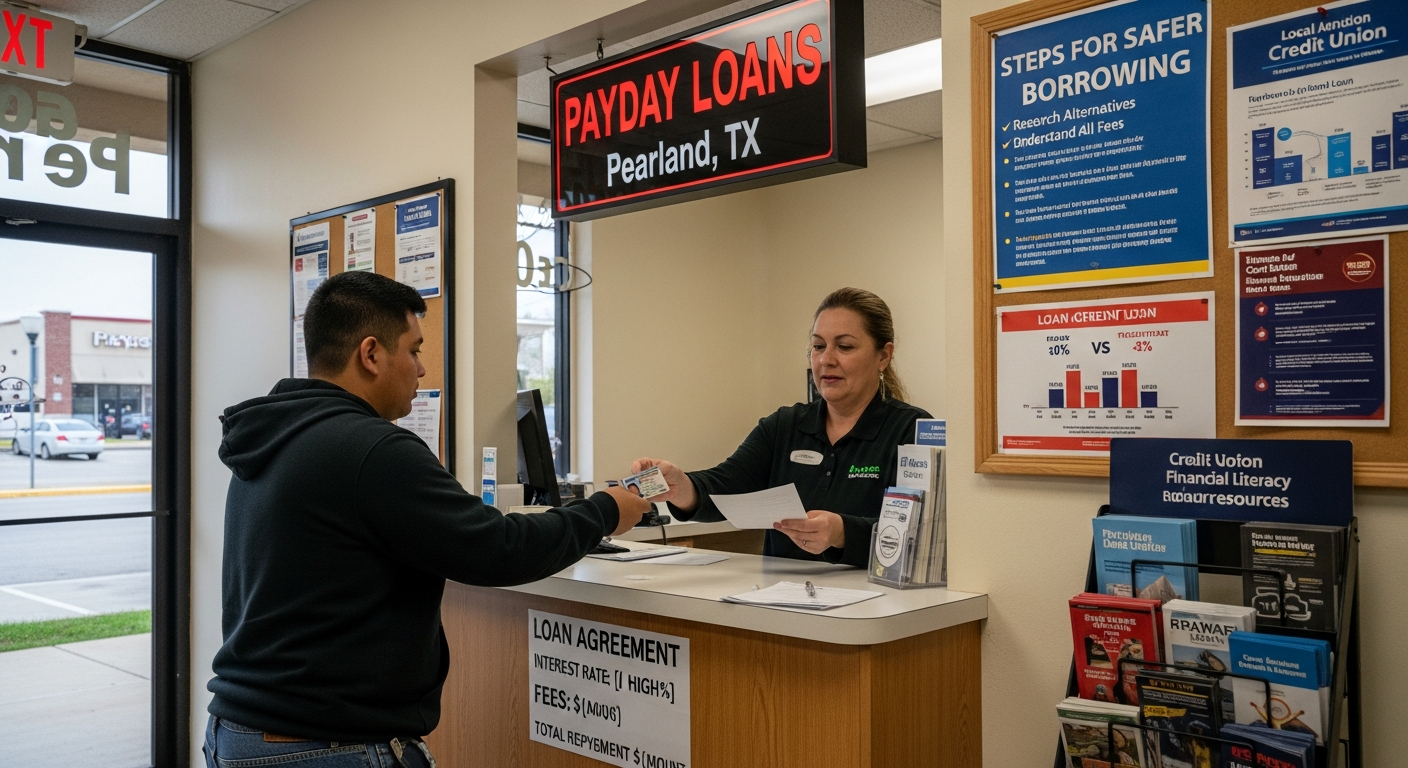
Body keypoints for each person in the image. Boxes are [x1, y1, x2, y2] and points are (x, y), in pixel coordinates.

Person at [204, 271, 649, 767]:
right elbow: (498, 549)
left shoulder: (273, 436)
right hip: (325, 745)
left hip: (240, 733)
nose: (420, 369)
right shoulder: (372, 449)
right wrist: (606, 510)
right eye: (414, 351)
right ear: (371, 355)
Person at [633, 287, 930, 566]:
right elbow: (728, 487)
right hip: (782, 603)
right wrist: (683, 487)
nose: (826, 360)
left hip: (874, 608)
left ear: (883, 356)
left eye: (845, 347)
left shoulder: (912, 430)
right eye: (818, 346)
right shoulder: (785, 426)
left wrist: (842, 532)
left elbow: (919, 536)